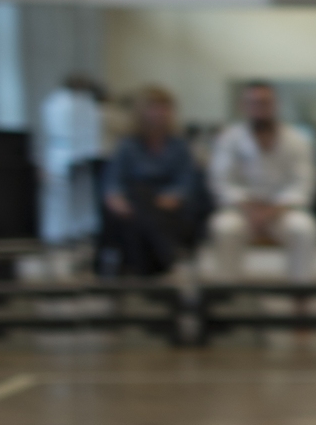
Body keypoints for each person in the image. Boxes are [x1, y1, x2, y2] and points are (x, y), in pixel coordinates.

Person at [205, 82, 316, 280]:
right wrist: (249, 208)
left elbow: (303, 183)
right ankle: (227, 291)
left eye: (265, 102)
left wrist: (273, 210)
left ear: (275, 105)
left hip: (282, 211)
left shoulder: (296, 140)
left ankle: (301, 292)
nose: (259, 108)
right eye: (254, 103)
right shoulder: (229, 139)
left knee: (305, 228)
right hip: (242, 210)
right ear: (244, 106)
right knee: (224, 228)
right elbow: (221, 181)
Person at [102, 86, 207, 277]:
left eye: (164, 108)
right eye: (154, 107)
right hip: (133, 206)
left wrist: (170, 198)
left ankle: (142, 274)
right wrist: (117, 200)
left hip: (167, 208)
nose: (159, 113)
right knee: (139, 195)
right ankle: (166, 255)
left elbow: (186, 183)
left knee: (142, 213)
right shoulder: (127, 145)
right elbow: (113, 183)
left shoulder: (179, 146)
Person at [37, 73, 107, 265]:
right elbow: (87, 131)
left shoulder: (51, 101)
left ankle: (54, 235)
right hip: (76, 153)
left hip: (55, 152)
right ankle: (73, 235)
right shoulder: (81, 102)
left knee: (57, 200)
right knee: (78, 201)